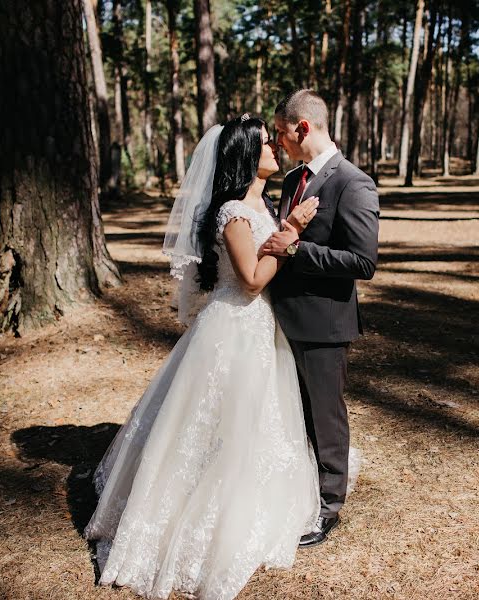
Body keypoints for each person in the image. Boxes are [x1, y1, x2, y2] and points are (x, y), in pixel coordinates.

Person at [84, 114, 323, 600]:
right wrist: (291, 231)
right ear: (243, 156)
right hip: (234, 327)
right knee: (217, 423)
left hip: (260, 329)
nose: (274, 149)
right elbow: (253, 280)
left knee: (254, 422)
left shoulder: (261, 204)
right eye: (263, 144)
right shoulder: (234, 212)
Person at [262, 89, 380, 547]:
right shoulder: (294, 180)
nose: (278, 140)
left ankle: (329, 506)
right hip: (282, 319)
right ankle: (302, 489)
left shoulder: (352, 183)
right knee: (295, 413)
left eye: (281, 131)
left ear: (302, 128)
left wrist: (294, 248)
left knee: (324, 416)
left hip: (323, 325)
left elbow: (362, 261)